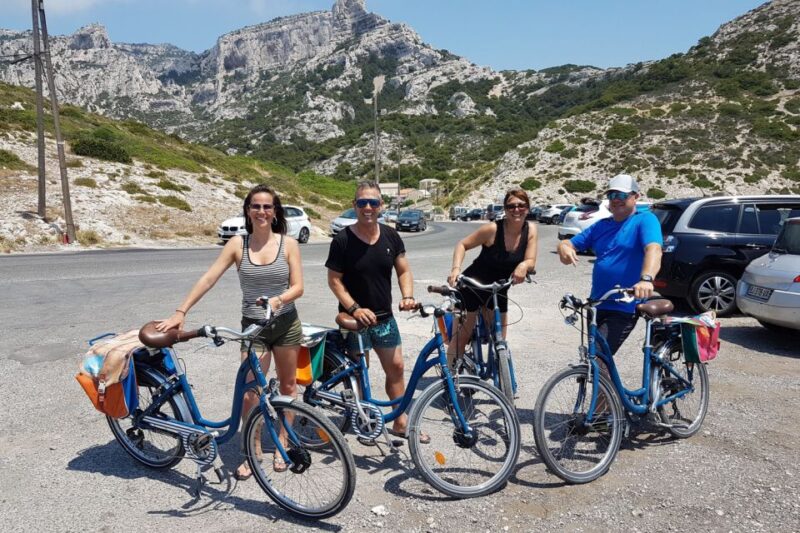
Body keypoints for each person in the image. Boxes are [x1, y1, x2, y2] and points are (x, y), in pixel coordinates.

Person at [156, 184, 304, 478]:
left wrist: (278, 300)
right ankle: (252, 450)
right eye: (256, 206)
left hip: (286, 325)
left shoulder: (288, 244)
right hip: (252, 330)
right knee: (251, 392)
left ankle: (284, 441)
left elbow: (298, 287)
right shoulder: (238, 245)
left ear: (275, 212)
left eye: (267, 207)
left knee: (288, 387)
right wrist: (181, 311)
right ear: (248, 211)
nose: (261, 211)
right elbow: (209, 278)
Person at [325, 180, 421, 441]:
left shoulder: (391, 236)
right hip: (354, 318)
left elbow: (403, 269)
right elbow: (334, 280)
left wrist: (408, 296)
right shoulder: (343, 240)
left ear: (382, 205)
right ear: (354, 205)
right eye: (362, 202)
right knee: (359, 372)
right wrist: (355, 308)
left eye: (373, 202)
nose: (368, 207)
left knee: (397, 368)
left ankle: (400, 422)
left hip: (384, 318)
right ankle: (363, 418)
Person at [556, 174, 663, 356]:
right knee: (592, 359)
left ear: (636, 196)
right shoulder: (601, 226)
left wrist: (646, 279)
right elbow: (568, 243)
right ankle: (607, 385)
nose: (616, 200)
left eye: (622, 195)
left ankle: (606, 385)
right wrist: (563, 248)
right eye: (612, 195)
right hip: (598, 304)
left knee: (598, 358)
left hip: (624, 305)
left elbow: (654, 249)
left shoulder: (645, 220)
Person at [446, 187, 538, 367]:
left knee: (499, 338)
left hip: (499, 289)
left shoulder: (531, 230)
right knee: (461, 337)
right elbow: (462, 245)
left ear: (528, 208)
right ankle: (449, 379)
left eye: (521, 205)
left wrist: (523, 265)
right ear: (505, 209)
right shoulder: (492, 229)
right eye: (511, 206)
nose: (516, 210)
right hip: (472, 286)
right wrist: (456, 269)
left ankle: (502, 380)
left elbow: (531, 260)